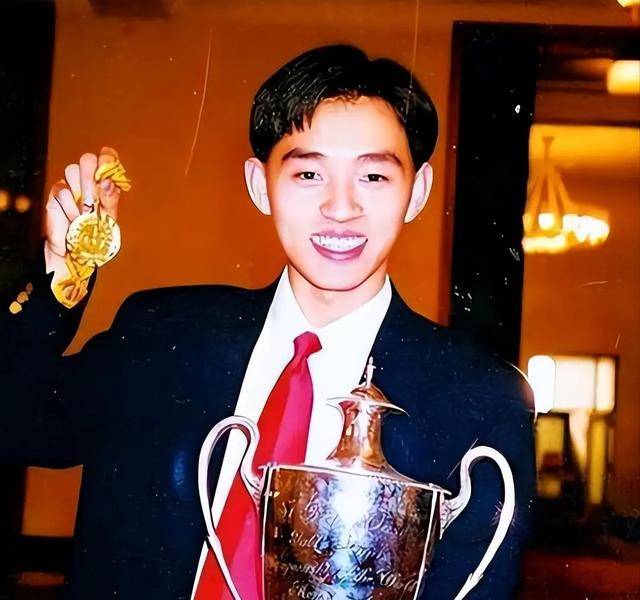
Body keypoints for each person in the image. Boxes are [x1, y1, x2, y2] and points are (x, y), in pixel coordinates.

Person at [1, 45, 535, 599]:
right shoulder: (162, 334)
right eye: (308, 173)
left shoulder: (480, 400)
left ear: (417, 192)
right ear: (261, 185)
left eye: (374, 176)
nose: (341, 208)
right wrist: (62, 273)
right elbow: (13, 418)